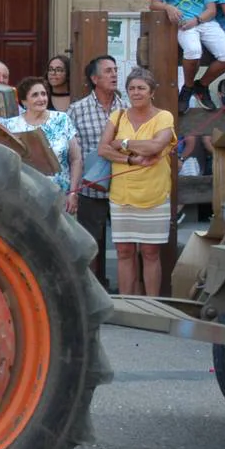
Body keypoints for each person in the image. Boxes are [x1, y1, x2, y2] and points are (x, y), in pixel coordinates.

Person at [97, 67, 176, 298]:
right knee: (124, 251)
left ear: (152, 91)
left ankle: (151, 305)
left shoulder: (164, 116)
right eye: (131, 88)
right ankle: (126, 303)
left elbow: (155, 146)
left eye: (141, 88)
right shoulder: (118, 115)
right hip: (122, 195)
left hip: (154, 193)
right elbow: (103, 148)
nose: (136, 92)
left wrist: (122, 142)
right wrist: (131, 158)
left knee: (151, 252)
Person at [68, 55, 125, 289]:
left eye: (115, 70)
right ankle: (91, 291)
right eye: (108, 71)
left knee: (125, 244)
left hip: (123, 186)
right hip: (91, 187)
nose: (114, 75)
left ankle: (127, 293)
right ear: (94, 78)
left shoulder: (127, 108)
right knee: (90, 243)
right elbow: (74, 153)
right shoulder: (76, 110)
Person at [3, 77, 82, 214]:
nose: (41, 98)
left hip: (61, 196)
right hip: (24, 196)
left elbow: (76, 159)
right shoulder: (10, 125)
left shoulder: (61, 119)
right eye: (35, 95)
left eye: (44, 94)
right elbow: (6, 162)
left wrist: (73, 192)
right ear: (24, 101)